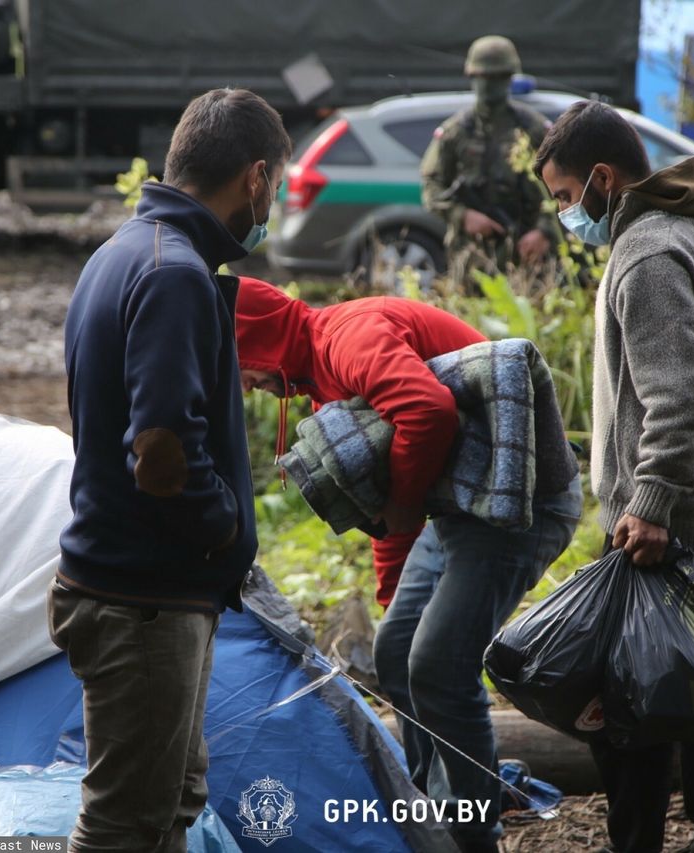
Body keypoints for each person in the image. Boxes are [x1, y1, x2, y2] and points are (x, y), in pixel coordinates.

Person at [234, 279, 582, 852]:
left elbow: (428, 410)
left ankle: (473, 835)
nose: (246, 384)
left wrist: (402, 503)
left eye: (240, 367)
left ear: (255, 342)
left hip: (519, 501)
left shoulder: (347, 339)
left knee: (440, 667)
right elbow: (384, 500)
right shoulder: (320, 379)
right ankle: (431, 807)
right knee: (397, 651)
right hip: (458, 507)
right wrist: (393, 587)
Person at [50, 88, 290, 853]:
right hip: (143, 603)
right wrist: (223, 524)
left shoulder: (125, 249)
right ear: (254, 177)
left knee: (169, 807)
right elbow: (158, 450)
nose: (272, 202)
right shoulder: (173, 271)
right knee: (126, 824)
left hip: (137, 594)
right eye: (277, 186)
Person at [534, 100, 694, 853]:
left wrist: (652, 503)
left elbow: (681, 395)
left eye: (567, 197)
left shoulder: (647, 254)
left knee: (628, 710)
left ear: (604, 179)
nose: (568, 216)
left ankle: (636, 844)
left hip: (665, 526)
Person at [420, 35, 561, 289]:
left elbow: (563, 187)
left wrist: (543, 231)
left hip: (530, 256)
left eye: (498, 77)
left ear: (509, 78)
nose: (489, 85)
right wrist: (463, 216)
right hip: (472, 258)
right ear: (472, 77)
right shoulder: (456, 132)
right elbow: (432, 186)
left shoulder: (534, 129)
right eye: (483, 77)